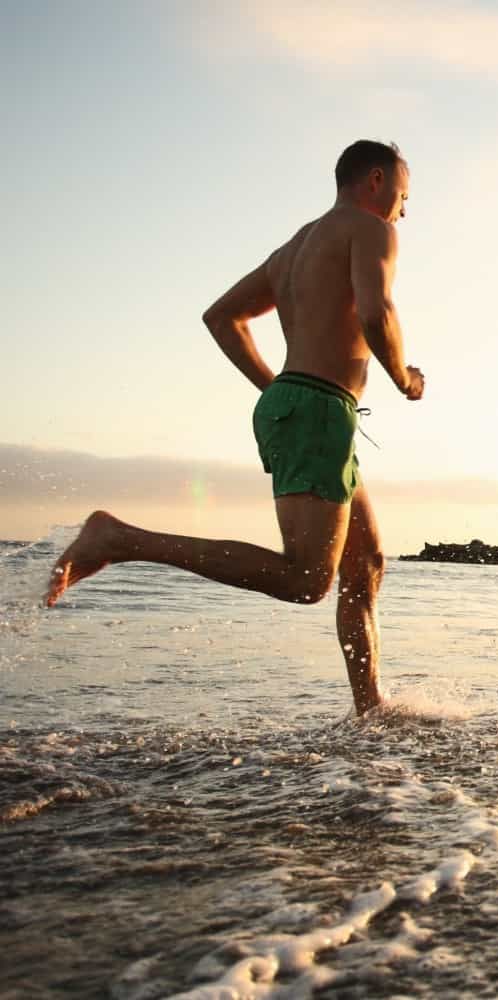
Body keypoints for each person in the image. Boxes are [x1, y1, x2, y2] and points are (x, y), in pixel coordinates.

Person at [44, 140, 424, 715]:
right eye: (404, 195)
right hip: (317, 411)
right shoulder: (369, 229)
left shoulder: (296, 247)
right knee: (305, 580)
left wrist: (277, 388)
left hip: (314, 410)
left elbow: (221, 317)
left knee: (365, 562)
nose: (404, 211)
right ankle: (118, 539)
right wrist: (404, 377)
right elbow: (377, 314)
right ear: (376, 180)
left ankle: (370, 711)